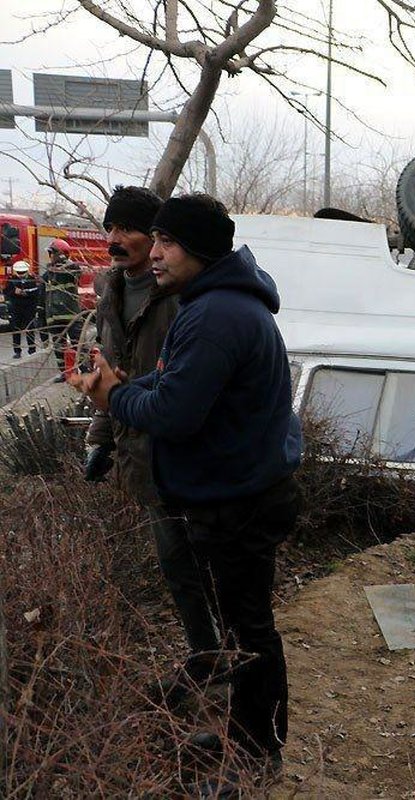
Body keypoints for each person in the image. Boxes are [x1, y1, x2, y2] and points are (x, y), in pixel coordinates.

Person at [70, 194, 302, 783]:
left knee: (249, 631)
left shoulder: (216, 315)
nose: (157, 256)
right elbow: (180, 387)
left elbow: (175, 413)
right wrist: (127, 386)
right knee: (238, 626)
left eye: (167, 243)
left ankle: (256, 754)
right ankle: (244, 733)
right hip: (234, 491)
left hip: (239, 500)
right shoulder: (213, 305)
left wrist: (112, 397)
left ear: (197, 249)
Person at [84, 186, 222, 681]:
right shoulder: (110, 290)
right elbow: (109, 369)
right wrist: (100, 438)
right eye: (110, 229)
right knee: (175, 566)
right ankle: (206, 657)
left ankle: (234, 664)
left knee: (209, 565)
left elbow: (194, 385)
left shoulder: (185, 297)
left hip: (184, 451)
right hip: (138, 446)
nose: (115, 240)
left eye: (128, 230)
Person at [42, 238, 83, 381]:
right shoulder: (47, 275)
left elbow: (75, 271)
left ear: (60, 254)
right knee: (59, 347)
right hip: (53, 317)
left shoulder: (72, 268)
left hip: (71, 316)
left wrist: (56, 266)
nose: (50, 256)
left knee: (79, 344)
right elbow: (43, 295)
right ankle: (65, 373)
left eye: (52, 253)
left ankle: (85, 369)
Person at [4, 260, 41, 358]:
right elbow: (6, 292)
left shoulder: (32, 280)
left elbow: (37, 293)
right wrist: (14, 292)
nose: (21, 275)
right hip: (16, 308)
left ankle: (32, 350)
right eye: (19, 273)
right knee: (16, 329)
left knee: (30, 329)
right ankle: (17, 351)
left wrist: (26, 293)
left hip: (29, 308)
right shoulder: (11, 280)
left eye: (23, 272)